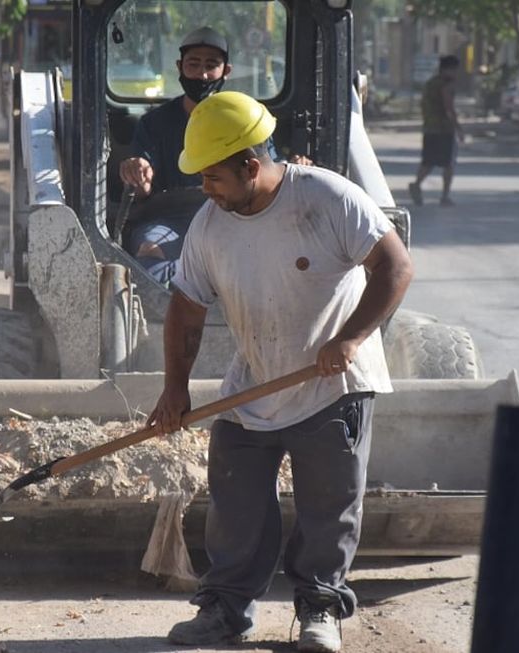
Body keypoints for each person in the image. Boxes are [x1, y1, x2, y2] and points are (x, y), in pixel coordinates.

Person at [148, 92, 413, 652]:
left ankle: (320, 607)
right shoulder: (209, 226)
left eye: (213, 176)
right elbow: (187, 308)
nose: (205, 188)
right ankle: (227, 609)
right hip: (253, 384)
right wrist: (174, 388)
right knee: (235, 502)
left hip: (332, 385)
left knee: (327, 507)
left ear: (250, 165)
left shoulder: (326, 197)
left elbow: (395, 265)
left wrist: (350, 338)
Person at [118, 27, 309, 285]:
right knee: (149, 253)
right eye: (194, 64)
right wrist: (138, 175)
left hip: (238, 214)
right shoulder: (154, 123)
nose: (203, 74)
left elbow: (270, 173)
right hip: (170, 217)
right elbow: (142, 188)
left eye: (211, 65)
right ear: (180, 67)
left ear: (226, 71)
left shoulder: (248, 119)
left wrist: (295, 168)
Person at [408, 55, 464, 207]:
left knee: (428, 161)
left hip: (429, 127)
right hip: (443, 129)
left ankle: (416, 184)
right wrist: (458, 128)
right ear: (449, 69)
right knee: (448, 164)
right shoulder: (447, 85)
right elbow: (449, 108)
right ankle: (445, 196)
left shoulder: (431, 83)